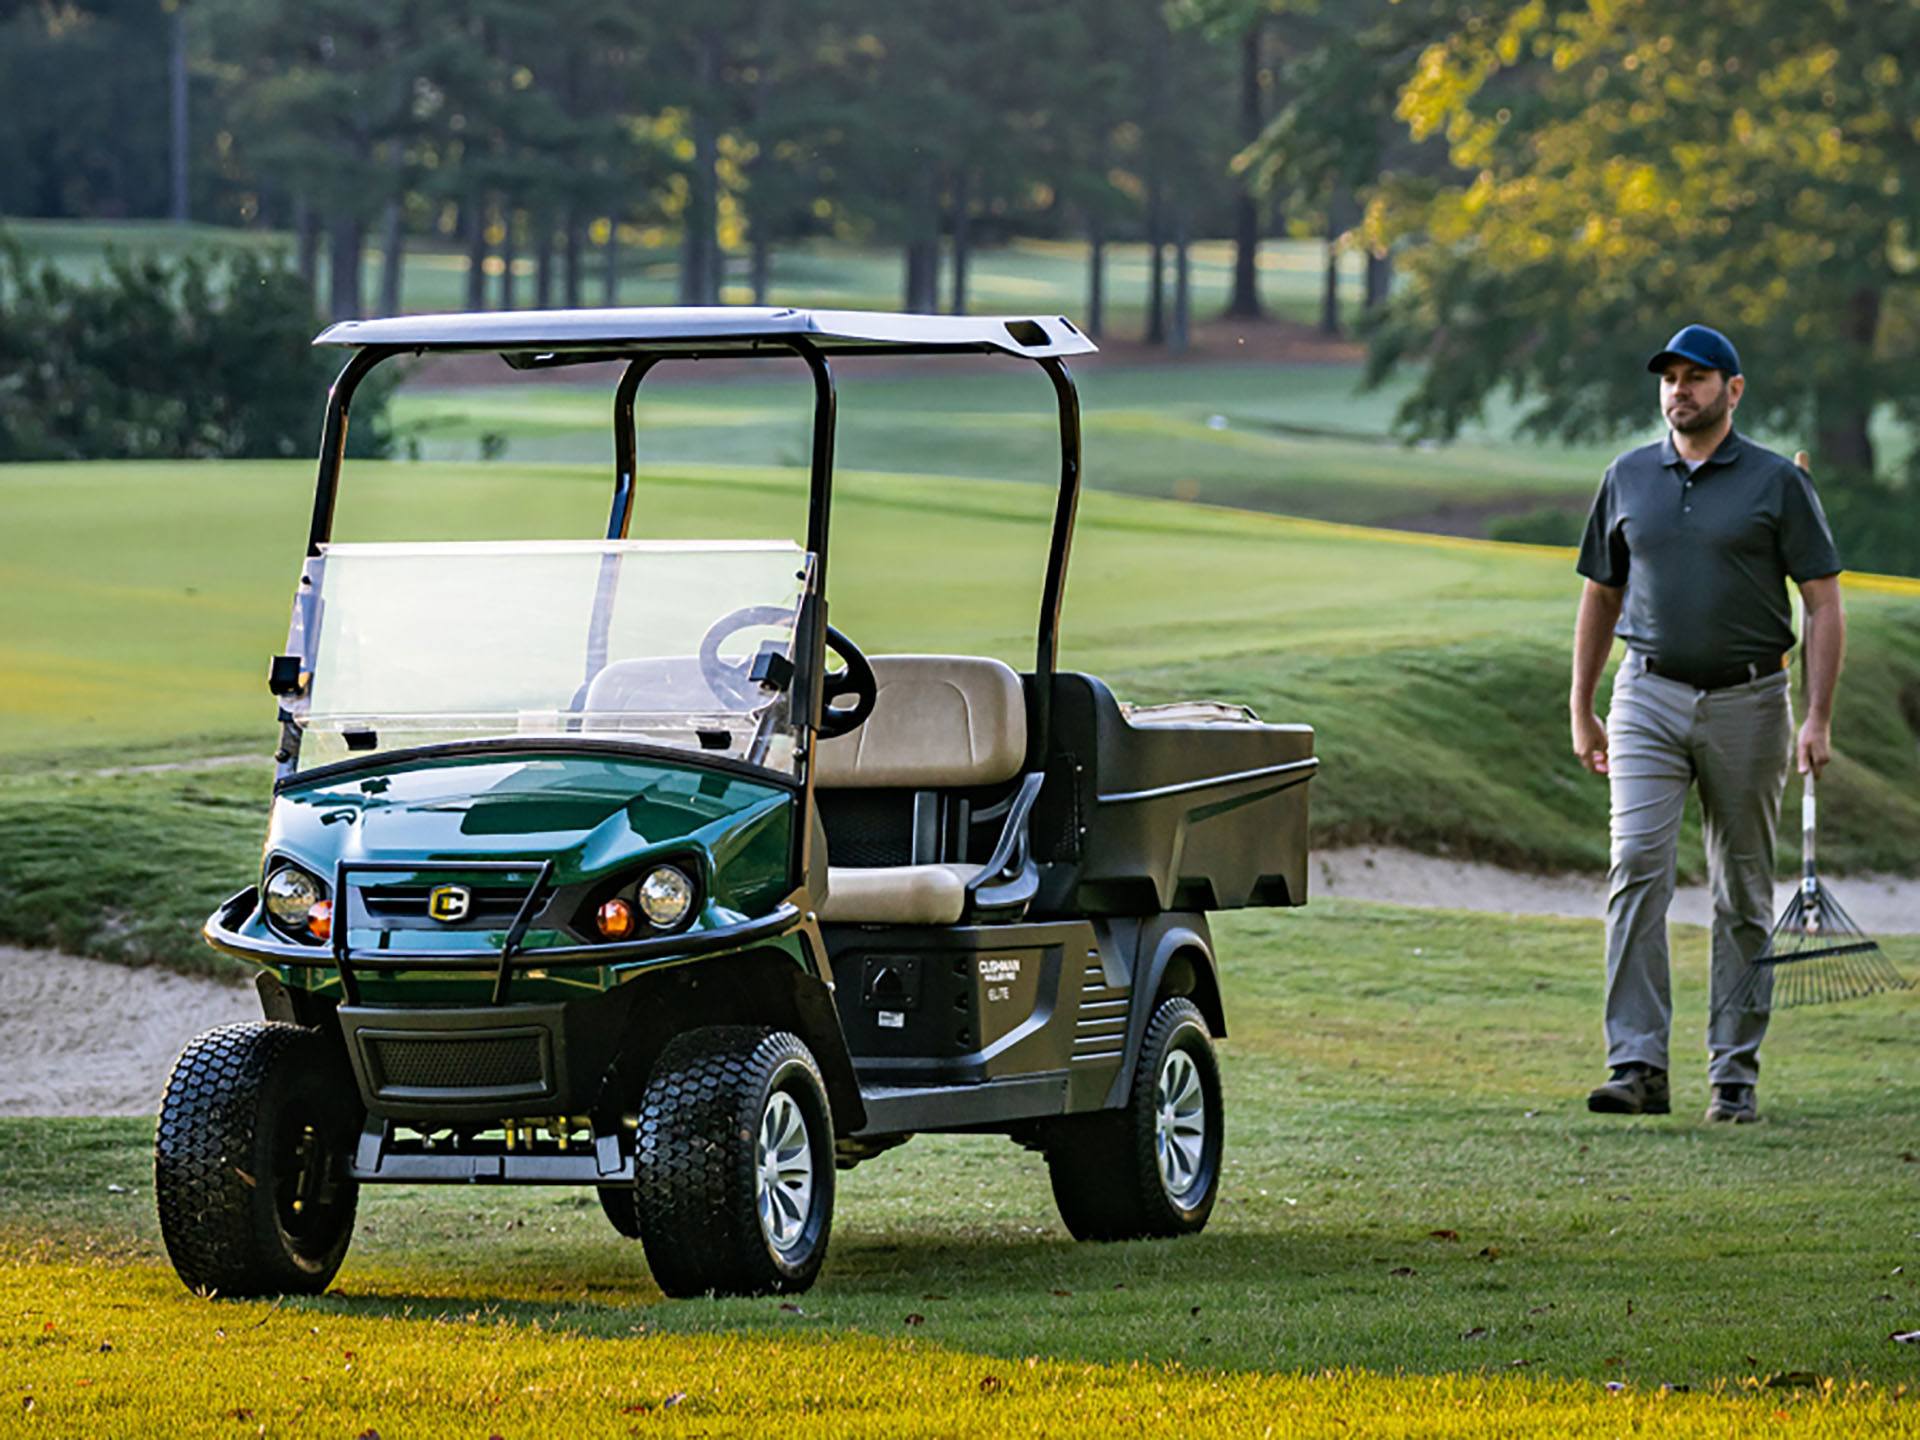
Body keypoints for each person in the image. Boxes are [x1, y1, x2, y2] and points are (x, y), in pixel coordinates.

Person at [1568, 323, 1845, 1124]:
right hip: (1645, 694)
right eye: (1670, 378)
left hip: (1752, 702)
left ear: (1734, 389)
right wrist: (1581, 704)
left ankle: (1734, 1074)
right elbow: (1600, 595)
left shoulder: (1776, 482)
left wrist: (1817, 717)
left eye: (1697, 377)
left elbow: (1823, 603)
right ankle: (1637, 1066)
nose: (1678, 390)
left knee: (1743, 892)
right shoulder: (1626, 476)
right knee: (1635, 866)